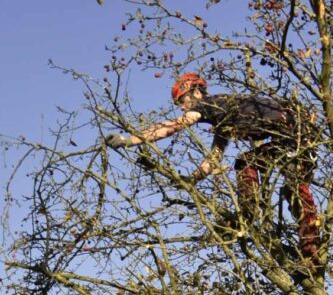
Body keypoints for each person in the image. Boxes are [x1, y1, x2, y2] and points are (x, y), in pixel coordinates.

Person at [106, 73, 320, 262]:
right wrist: (192, 179)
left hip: (295, 133)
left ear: (196, 93)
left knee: (291, 187)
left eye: (183, 100)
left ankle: (259, 221)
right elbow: (214, 157)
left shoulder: (207, 104)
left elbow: (172, 126)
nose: (182, 107)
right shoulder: (224, 114)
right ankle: (298, 244)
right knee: (269, 175)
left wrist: (130, 140)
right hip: (294, 133)